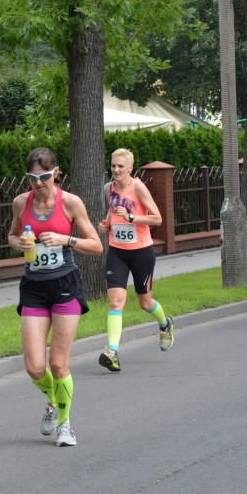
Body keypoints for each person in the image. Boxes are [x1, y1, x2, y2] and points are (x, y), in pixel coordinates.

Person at [9, 147, 103, 447]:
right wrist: (19, 244)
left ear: (57, 172)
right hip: (34, 287)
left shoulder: (71, 202)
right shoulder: (21, 203)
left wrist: (66, 239)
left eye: (45, 177)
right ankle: (53, 401)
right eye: (32, 178)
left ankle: (65, 424)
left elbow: (97, 245)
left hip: (65, 284)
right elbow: (10, 236)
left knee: (58, 364)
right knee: (35, 367)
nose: (38, 183)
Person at [95, 148, 173, 373]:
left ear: (130, 168)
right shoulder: (108, 188)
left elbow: (157, 218)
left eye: (121, 166)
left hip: (141, 252)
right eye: (113, 166)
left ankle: (165, 324)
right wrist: (107, 223)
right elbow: (112, 210)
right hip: (117, 252)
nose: (116, 170)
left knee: (144, 302)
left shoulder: (137, 186)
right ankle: (113, 352)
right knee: (115, 301)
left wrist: (132, 218)